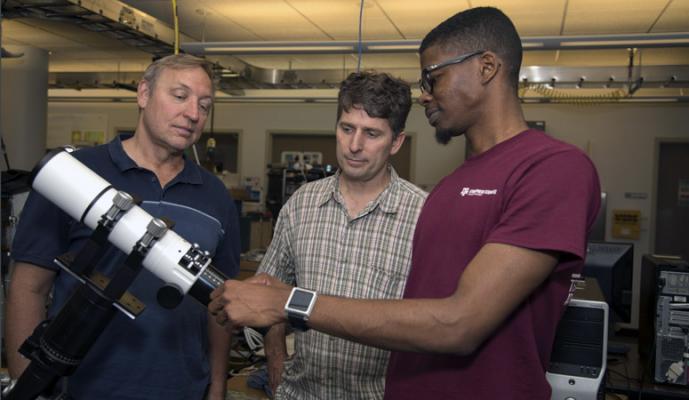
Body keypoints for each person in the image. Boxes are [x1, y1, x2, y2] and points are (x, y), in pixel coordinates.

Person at [210, 7, 601, 400]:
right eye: (347, 129)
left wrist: (290, 301)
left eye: (434, 76)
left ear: (486, 67)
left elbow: (459, 325)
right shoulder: (451, 188)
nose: (425, 93)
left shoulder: (554, 168)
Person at [7, 54, 239, 400]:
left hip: (181, 389)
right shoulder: (75, 176)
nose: (193, 114)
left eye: (204, 105)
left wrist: (217, 386)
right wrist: (30, 386)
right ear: (143, 94)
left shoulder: (216, 196)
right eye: (180, 96)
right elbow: (28, 288)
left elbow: (221, 304)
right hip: (83, 390)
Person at [257, 71, 427, 399]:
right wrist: (277, 369)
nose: (354, 145)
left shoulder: (423, 217)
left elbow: (433, 326)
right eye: (347, 128)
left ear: (396, 141)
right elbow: (269, 291)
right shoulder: (302, 203)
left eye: (372, 133)